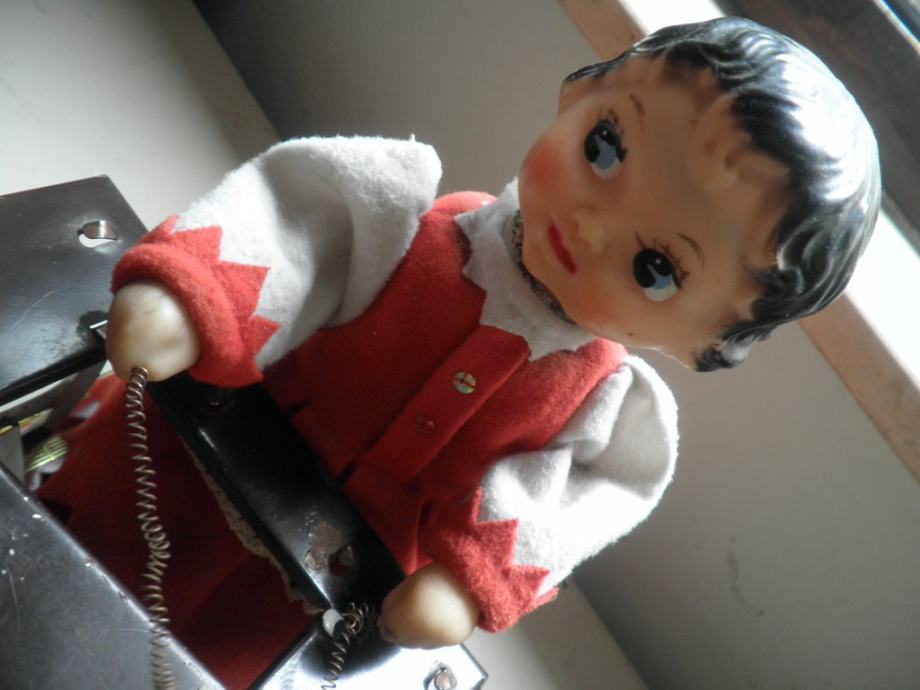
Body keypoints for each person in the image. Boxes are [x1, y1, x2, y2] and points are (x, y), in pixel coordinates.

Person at [38, 17, 879, 689]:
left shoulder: (606, 417)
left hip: (332, 580)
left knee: (206, 656)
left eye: (656, 267)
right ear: (584, 90)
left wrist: (464, 581)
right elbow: (298, 231)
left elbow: (567, 502)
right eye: (605, 147)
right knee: (68, 555)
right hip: (191, 452)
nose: (593, 226)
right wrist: (195, 300)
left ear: (707, 343)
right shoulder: (397, 218)